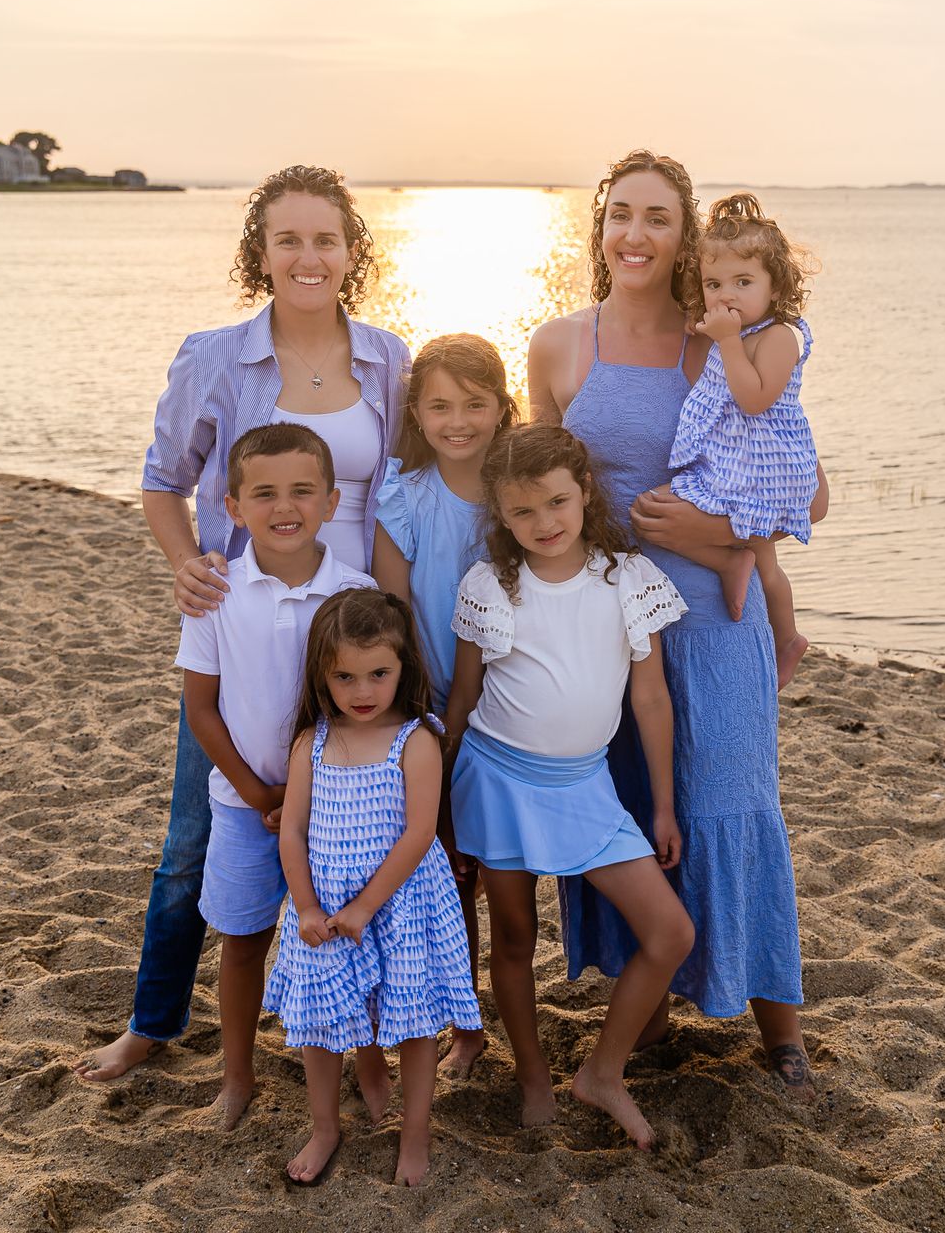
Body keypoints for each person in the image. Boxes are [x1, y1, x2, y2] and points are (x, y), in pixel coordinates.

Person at [73, 164, 406, 1095]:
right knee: (197, 833)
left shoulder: (388, 356)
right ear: (260, 252)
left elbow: (407, 490)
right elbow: (161, 479)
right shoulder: (216, 356)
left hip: (356, 626)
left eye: (326, 239)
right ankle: (151, 1023)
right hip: (247, 614)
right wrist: (189, 562)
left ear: (352, 253)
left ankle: (357, 1036)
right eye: (288, 239)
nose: (309, 256)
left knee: (358, 829)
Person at [525, 149, 823, 1099]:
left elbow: (809, 492)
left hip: (714, 620)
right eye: (619, 215)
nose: (634, 235)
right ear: (599, 227)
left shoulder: (724, 343)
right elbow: (534, 493)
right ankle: (643, 1009)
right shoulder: (561, 346)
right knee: (628, 819)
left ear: (684, 235)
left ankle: (777, 1026)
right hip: (604, 630)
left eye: (657, 218)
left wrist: (721, 536)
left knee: (733, 803)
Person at [444, 425, 694, 1149]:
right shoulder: (490, 585)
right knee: (515, 938)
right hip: (498, 780)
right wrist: (441, 811)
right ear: (500, 513)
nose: (544, 523)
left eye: (557, 502)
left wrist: (664, 805)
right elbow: (463, 700)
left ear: (584, 491)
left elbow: (650, 700)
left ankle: (602, 1072)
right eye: (522, 512)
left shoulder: (629, 578)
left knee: (669, 931)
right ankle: (530, 1076)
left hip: (586, 789)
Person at [171, 423, 377, 1129]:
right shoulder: (215, 590)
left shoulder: (355, 591)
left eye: (301, 491)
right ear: (233, 506)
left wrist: (305, 796)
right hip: (243, 802)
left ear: (331, 500)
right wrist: (260, 793)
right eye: (264, 493)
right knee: (244, 940)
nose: (283, 506)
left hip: (339, 806)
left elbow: (365, 707)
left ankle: (370, 1066)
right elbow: (201, 708)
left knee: (352, 934)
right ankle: (238, 1075)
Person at [263, 588, 482, 1187]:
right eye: (346, 677)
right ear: (323, 676)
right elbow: (293, 833)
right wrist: (306, 904)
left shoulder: (416, 739)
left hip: (402, 902)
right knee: (324, 1022)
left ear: (402, 668)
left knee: (412, 1024)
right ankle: (326, 1126)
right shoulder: (312, 741)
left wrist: (367, 905)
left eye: (378, 674)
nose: (363, 692)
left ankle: (415, 1135)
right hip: (325, 904)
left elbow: (418, 834)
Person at [371, 332, 517, 1077]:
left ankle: (506, 1001)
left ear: (501, 408)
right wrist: (425, 714)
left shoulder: (516, 495)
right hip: (435, 708)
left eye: (473, 403)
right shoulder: (404, 497)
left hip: (520, 709)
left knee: (505, 873)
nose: (457, 420)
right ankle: (464, 1021)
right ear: (417, 415)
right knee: (449, 869)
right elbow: (393, 612)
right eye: (439, 406)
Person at [664, 192, 818, 689]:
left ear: (776, 289)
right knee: (666, 511)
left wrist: (727, 340)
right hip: (735, 462)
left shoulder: (778, 337)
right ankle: (733, 560)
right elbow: (701, 330)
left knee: (762, 558)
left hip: (768, 465)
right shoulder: (735, 328)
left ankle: (789, 637)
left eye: (743, 282)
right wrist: (708, 324)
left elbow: (753, 399)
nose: (726, 295)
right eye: (714, 284)